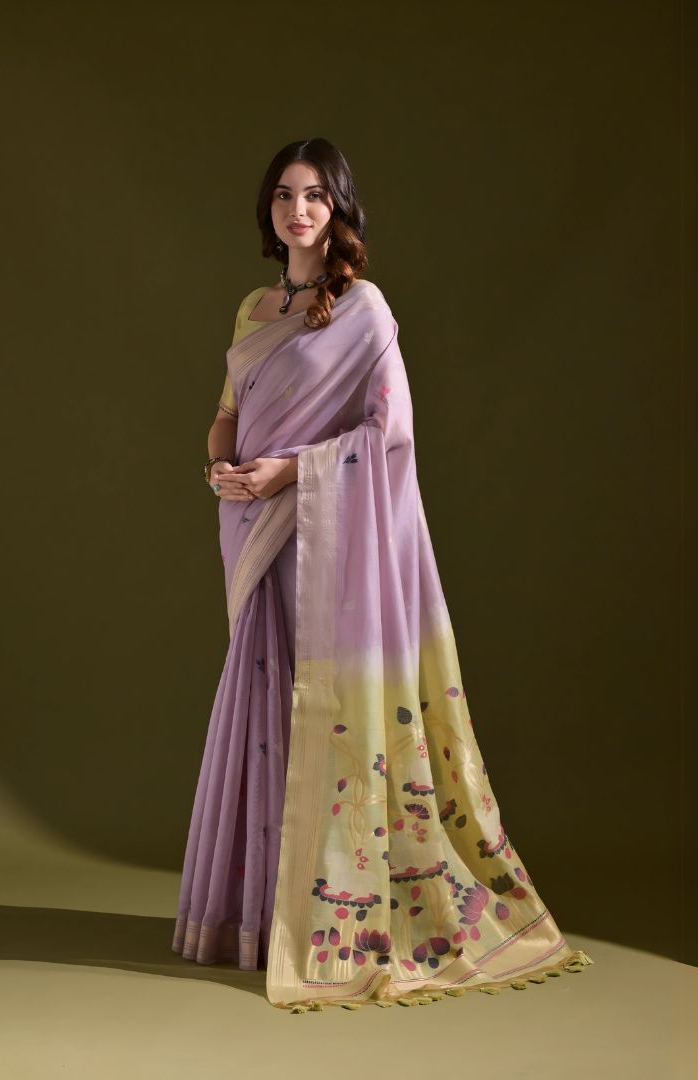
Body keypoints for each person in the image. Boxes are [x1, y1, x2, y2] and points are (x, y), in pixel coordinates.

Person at [172, 138, 592, 1012]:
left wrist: (286, 472)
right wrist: (221, 468)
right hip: (251, 528)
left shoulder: (361, 309)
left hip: (319, 531)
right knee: (263, 704)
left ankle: (345, 922)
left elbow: (390, 432)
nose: (299, 210)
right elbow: (227, 415)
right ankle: (252, 920)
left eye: (316, 196)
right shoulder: (253, 309)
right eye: (285, 195)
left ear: (338, 211)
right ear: (269, 212)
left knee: (320, 709)